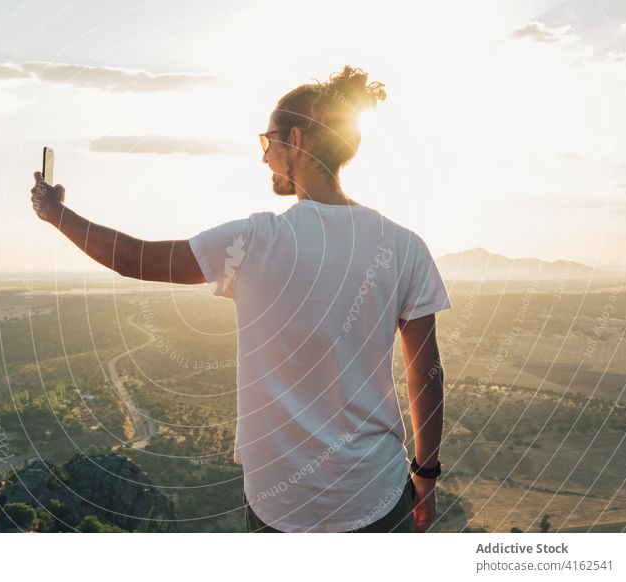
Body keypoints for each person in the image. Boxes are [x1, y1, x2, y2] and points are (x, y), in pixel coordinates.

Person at [30, 65, 452, 533]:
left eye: (267, 141)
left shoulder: (254, 241)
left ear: (296, 139)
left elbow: (133, 258)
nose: (264, 155)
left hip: (281, 504)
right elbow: (426, 373)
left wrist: (56, 213)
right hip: (375, 495)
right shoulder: (404, 245)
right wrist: (427, 475)